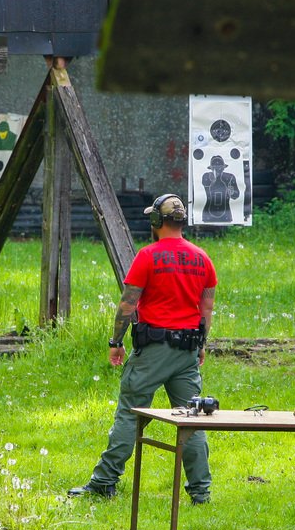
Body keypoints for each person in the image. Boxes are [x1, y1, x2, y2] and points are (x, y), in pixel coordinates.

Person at [69, 194, 217, 504]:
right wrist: (201, 345)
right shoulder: (203, 258)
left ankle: (104, 482)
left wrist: (115, 341)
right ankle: (201, 493)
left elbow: (128, 302)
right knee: (191, 419)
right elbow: (206, 309)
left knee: (130, 415)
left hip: (152, 350)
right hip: (187, 350)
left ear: (156, 222)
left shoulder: (148, 256)